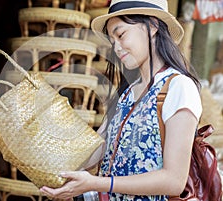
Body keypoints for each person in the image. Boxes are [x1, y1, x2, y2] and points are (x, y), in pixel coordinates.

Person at [40, 0, 202, 200]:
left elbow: (174, 181)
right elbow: (98, 147)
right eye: (112, 40)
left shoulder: (178, 87)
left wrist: (97, 183)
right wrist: (55, 169)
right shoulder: (127, 93)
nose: (116, 47)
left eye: (121, 34)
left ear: (152, 26)